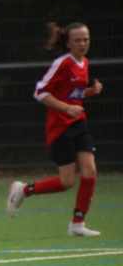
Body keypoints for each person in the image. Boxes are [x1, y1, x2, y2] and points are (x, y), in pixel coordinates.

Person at [6, 22, 104, 236]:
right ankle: (23, 190)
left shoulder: (84, 62)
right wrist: (66, 108)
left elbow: (70, 92)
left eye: (85, 39)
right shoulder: (62, 64)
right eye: (77, 40)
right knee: (67, 182)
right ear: (68, 44)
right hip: (59, 128)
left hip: (78, 124)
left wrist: (89, 92)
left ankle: (77, 225)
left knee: (90, 170)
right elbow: (41, 92)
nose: (83, 44)